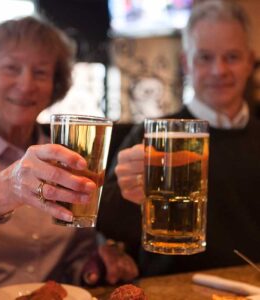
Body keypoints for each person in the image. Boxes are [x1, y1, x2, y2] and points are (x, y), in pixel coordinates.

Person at [0, 16, 138, 299]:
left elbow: (73, 251)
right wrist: (2, 189)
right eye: (11, 68)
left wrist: (92, 263)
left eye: (41, 73)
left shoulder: (62, 155)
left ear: (54, 87)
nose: (26, 84)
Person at [98, 0, 260, 276]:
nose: (219, 70)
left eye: (232, 57)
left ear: (250, 61)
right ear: (186, 62)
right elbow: (108, 223)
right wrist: (126, 192)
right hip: (169, 286)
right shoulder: (153, 134)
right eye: (205, 57)